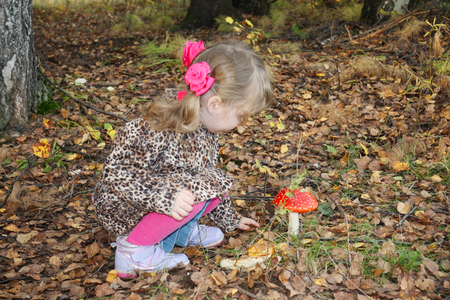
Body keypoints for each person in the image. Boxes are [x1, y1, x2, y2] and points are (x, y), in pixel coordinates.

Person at [92, 41, 274, 278]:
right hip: (124, 207)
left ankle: (179, 231)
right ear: (214, 104)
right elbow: (117, 174)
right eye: (240, 116)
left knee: (211, 179)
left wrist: (231, 219)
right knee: (193, 188)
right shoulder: (157, 127)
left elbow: (207, 176)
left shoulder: (204, 128)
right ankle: (134, 251)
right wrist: (165, 197)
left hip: (161, 198)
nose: (241, 124)